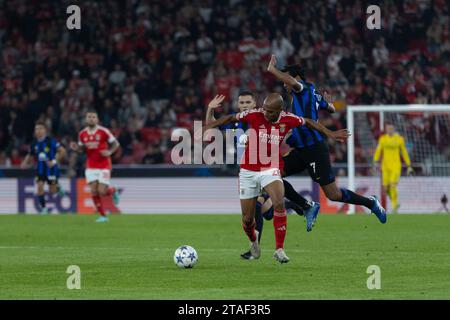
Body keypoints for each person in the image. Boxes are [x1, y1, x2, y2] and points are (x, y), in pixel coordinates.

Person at [202, 93, 349, 263]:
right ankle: (253, 240)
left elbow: (308, 121)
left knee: (278, 202)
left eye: (270, 111)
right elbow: (227, 119)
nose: (265, 114)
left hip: (270, 168)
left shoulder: (288, 119)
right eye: (264, 110)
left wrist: (329, 133)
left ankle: (279, 249)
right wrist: (209, 123)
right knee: (248, 219)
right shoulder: (252, 115)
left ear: (279, 110)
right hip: (248, 171)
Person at [267, 55, 387, 223]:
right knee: (272, 175)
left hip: (315, 149)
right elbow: (329, 108)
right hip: (300, 150)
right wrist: (329, 106)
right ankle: (306, 205)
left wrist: (273, 70)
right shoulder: (313, 93)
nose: (283, 84)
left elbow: (297, 90)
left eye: (285, 80)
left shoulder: (303, 89)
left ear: (295, 78)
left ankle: (370, 202)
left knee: (333, 194)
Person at [70, 109, 120, 222]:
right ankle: (103, 216)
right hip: (91, 166)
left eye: (93, 117)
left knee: (102, 191)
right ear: (86, 119)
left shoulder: (104, 131)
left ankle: (113, 191)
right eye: (89, 117)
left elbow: (116, 144)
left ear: (97, 119)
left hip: (104, 165)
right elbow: (82, 149)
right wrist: (76, 148)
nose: (91, 119)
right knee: (94, 191)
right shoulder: (82, 134)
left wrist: (109, 152)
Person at [21, 121, 66, 214]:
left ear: (45, 130)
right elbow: (30, 154)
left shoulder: (51, 141)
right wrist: (25, 162)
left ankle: (58, 188)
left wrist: (53, 161)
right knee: (40, 186)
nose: (38, 131)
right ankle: (44, 209)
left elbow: (62, 151)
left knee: (52, 191)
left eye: (41, 128)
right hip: (40, 171)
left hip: (52, 170)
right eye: (37, 129)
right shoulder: (34, 143)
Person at [373, 123, 414, 213]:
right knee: (385, 189)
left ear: (394, 129)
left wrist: (408, 165)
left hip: (396, 166)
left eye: (391, 128)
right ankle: (394, 202)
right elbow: (378, 150)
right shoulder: (383, 139)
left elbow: (404, 152)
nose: (390, 130)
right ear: (386, 129)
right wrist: (375, 161)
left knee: (392, 186)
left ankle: (395, 206)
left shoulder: (399, 139)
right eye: (388, 128)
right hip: (385, 166)